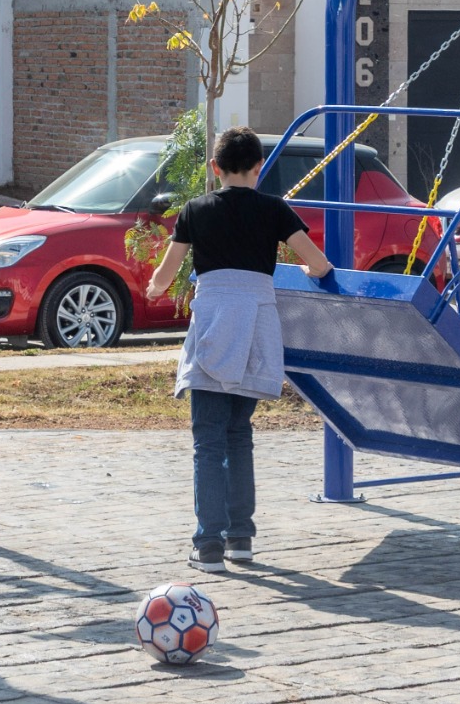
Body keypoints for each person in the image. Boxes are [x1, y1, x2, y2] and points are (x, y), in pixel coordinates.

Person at [143, 126, 335, 573]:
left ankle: (208, 546)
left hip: (213, 328)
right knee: (238, 435)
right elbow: (320, 264)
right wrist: (306, 270)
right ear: (258, 168)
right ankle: (241, 540)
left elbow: (166, 274)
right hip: (255, 329)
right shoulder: (274, 209)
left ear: (215, 168)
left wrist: (154, 288)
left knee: (207, 442)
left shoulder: (195, 209)